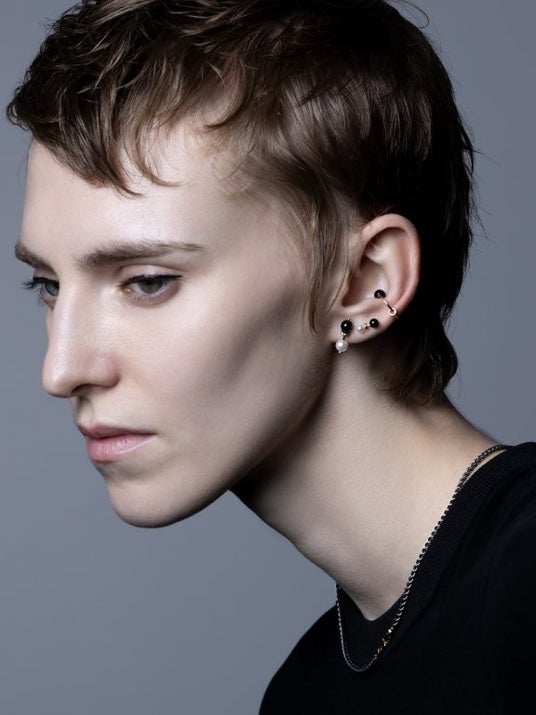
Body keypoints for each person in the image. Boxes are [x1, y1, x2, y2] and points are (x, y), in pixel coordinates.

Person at [7, 0, 535, 712]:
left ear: (366, 283)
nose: (61, 369)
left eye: (148, 281)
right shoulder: (303, 692)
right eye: (48, 284)